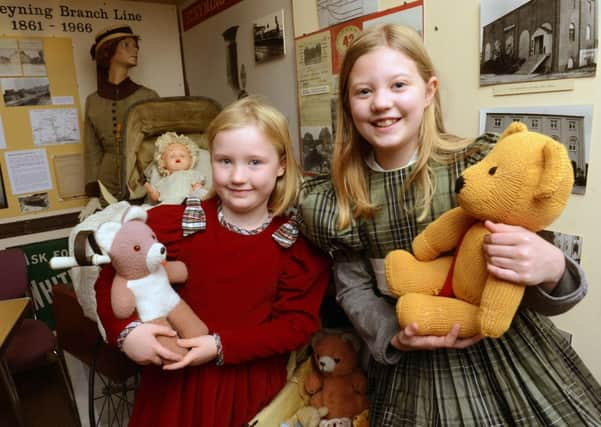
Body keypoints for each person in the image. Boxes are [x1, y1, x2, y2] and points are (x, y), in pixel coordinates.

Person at [298, 24, 601, 426]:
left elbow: (532, 267)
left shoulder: (480, 167)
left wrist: (554, 269)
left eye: (399, 85)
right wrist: (392, 334)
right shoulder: (340, 198)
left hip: (509, 354)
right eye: (364, 91)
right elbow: (352, 285)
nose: (381, 103)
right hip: (412, 364)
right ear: (348, 103)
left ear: (429, 90)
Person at [94, 96, 330, 427]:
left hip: (247, 390)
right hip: (173, 390)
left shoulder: (295, 247)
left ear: (281, 165)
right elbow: (115, 274)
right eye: (225, 161)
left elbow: (295, 326)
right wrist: (126, 332)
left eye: (254, 163)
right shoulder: (174, 223)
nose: (237, 176)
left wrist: (220, 346)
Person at [81, 25, 159, 219]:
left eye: (136, 46)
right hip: (106, 184)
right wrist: (93, 194)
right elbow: (91, 150)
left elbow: (159, 143)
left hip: (142, 181)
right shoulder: (93, 101)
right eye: (127, 45)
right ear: (109, 51)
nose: (135, 50)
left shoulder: (148, 96)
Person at [143, 131, 208, 204]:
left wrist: (197, 192)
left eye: (182, 155)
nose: (177, 157)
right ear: (163, 162)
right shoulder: (163, 181)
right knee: (148, 210)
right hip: (167, 204)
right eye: (172, 156)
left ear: (191, 161)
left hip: (185, 202)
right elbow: (156, 197)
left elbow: (198, 188)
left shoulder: (191, 174)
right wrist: (149, 189)